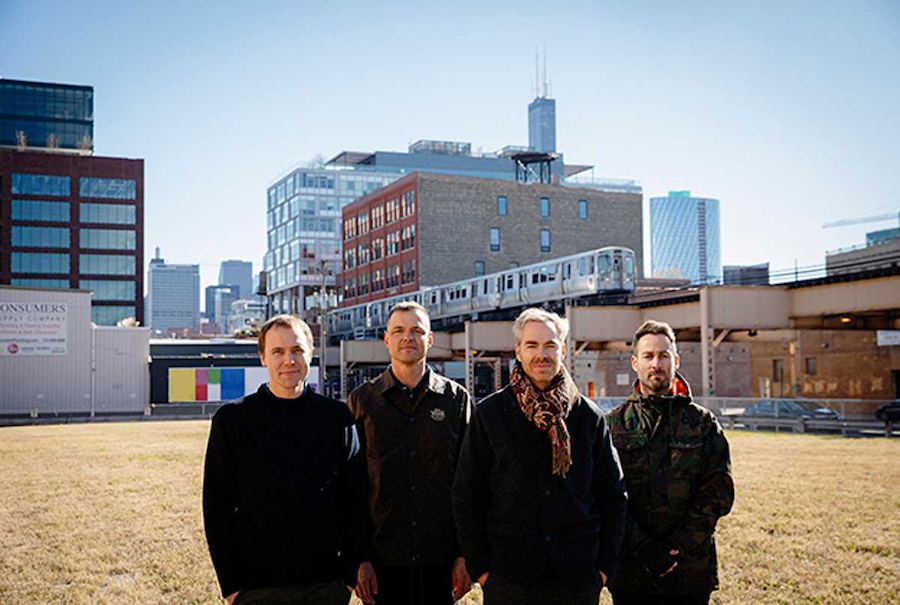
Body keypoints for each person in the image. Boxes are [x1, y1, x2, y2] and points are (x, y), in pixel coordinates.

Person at [453, 308, 628, 605]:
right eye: (532, 345)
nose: (541, 354)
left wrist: (603, 570)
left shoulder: (588, 417)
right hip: (509, 579)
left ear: (562, 350)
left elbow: (613, 495)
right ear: (518, 352)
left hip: (576, 578)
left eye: (550, 345)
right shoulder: (491, 414)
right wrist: (482, 569)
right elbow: (467, 493)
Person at [202, 314, 365, 605]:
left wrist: (351, 571)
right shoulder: (232, 420)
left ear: (310, 354)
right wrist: (230, 585)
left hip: (326, 584)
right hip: (256, 586)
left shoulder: (336, 417)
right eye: (277, 351)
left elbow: (355, 498)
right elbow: (217, 507)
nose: (288, 360)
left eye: (297, 350)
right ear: (263, 357)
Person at [348, 301, 473, 605]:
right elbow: (351, 488)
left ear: (430, 339)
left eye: (417, 330)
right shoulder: (362, 401)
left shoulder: (456, 400)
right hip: (382, 563)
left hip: (441, 562)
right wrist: (359, 559)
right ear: (386, 340)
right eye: (399, 330)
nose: (408, 337)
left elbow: (470, 483)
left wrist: (464, 555)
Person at [606, 319, 735, 605]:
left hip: (689, 572)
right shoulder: (612, 425)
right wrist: (644, 547)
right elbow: (607, 497)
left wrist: (677, 546)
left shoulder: (702, 423)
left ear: (675, 360)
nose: (656, 363)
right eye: (648, 356)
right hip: (631, 571)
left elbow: (719, 491)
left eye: (663, 355)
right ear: (634, 362)